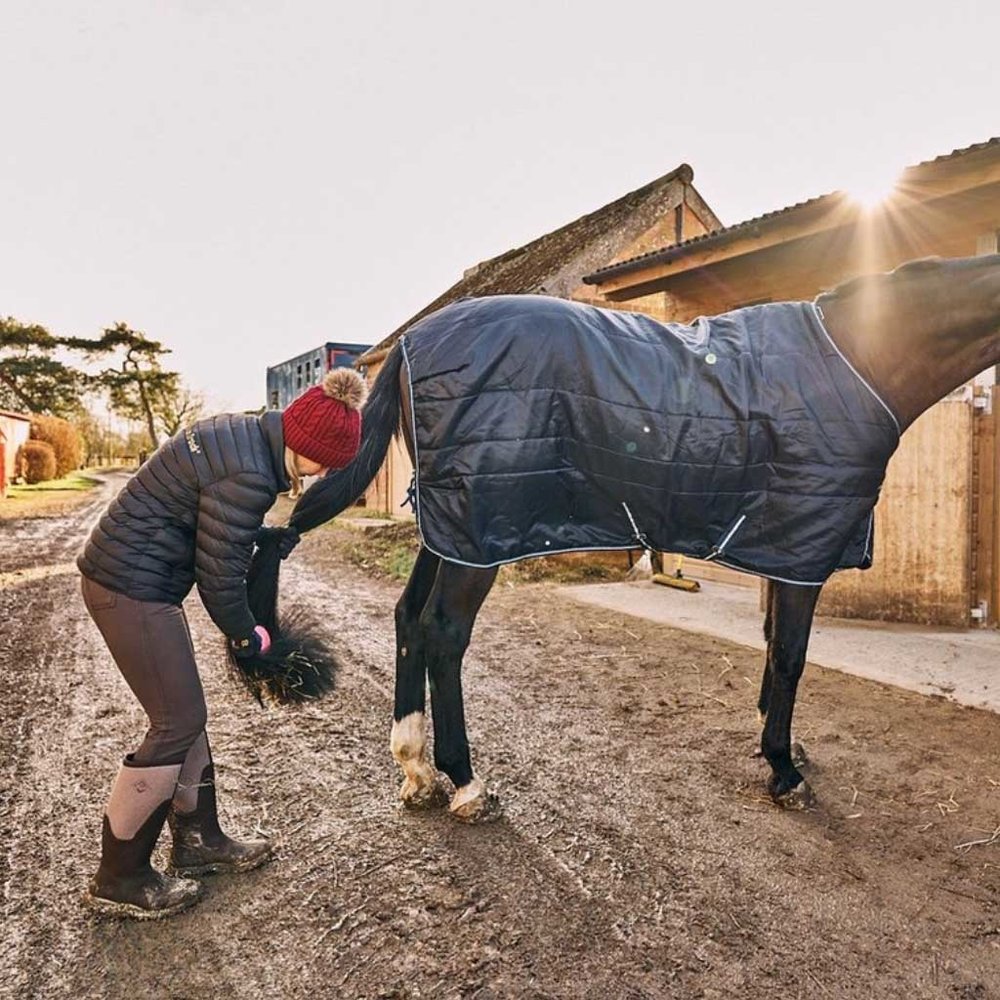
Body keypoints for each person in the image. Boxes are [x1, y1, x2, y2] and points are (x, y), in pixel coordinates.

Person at [77, 367, 367, 919]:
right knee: (176, 720)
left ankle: (198, 841)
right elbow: (219, 574)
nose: (324, 472)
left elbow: (214, 524)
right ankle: (119, 876)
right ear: (305, 444)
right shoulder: (252, 474)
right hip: (127, 587)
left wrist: (261, 538)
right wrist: (245, 633)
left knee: (185, 714)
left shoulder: (245, 438)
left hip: (137, 582)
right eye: (326, 462)